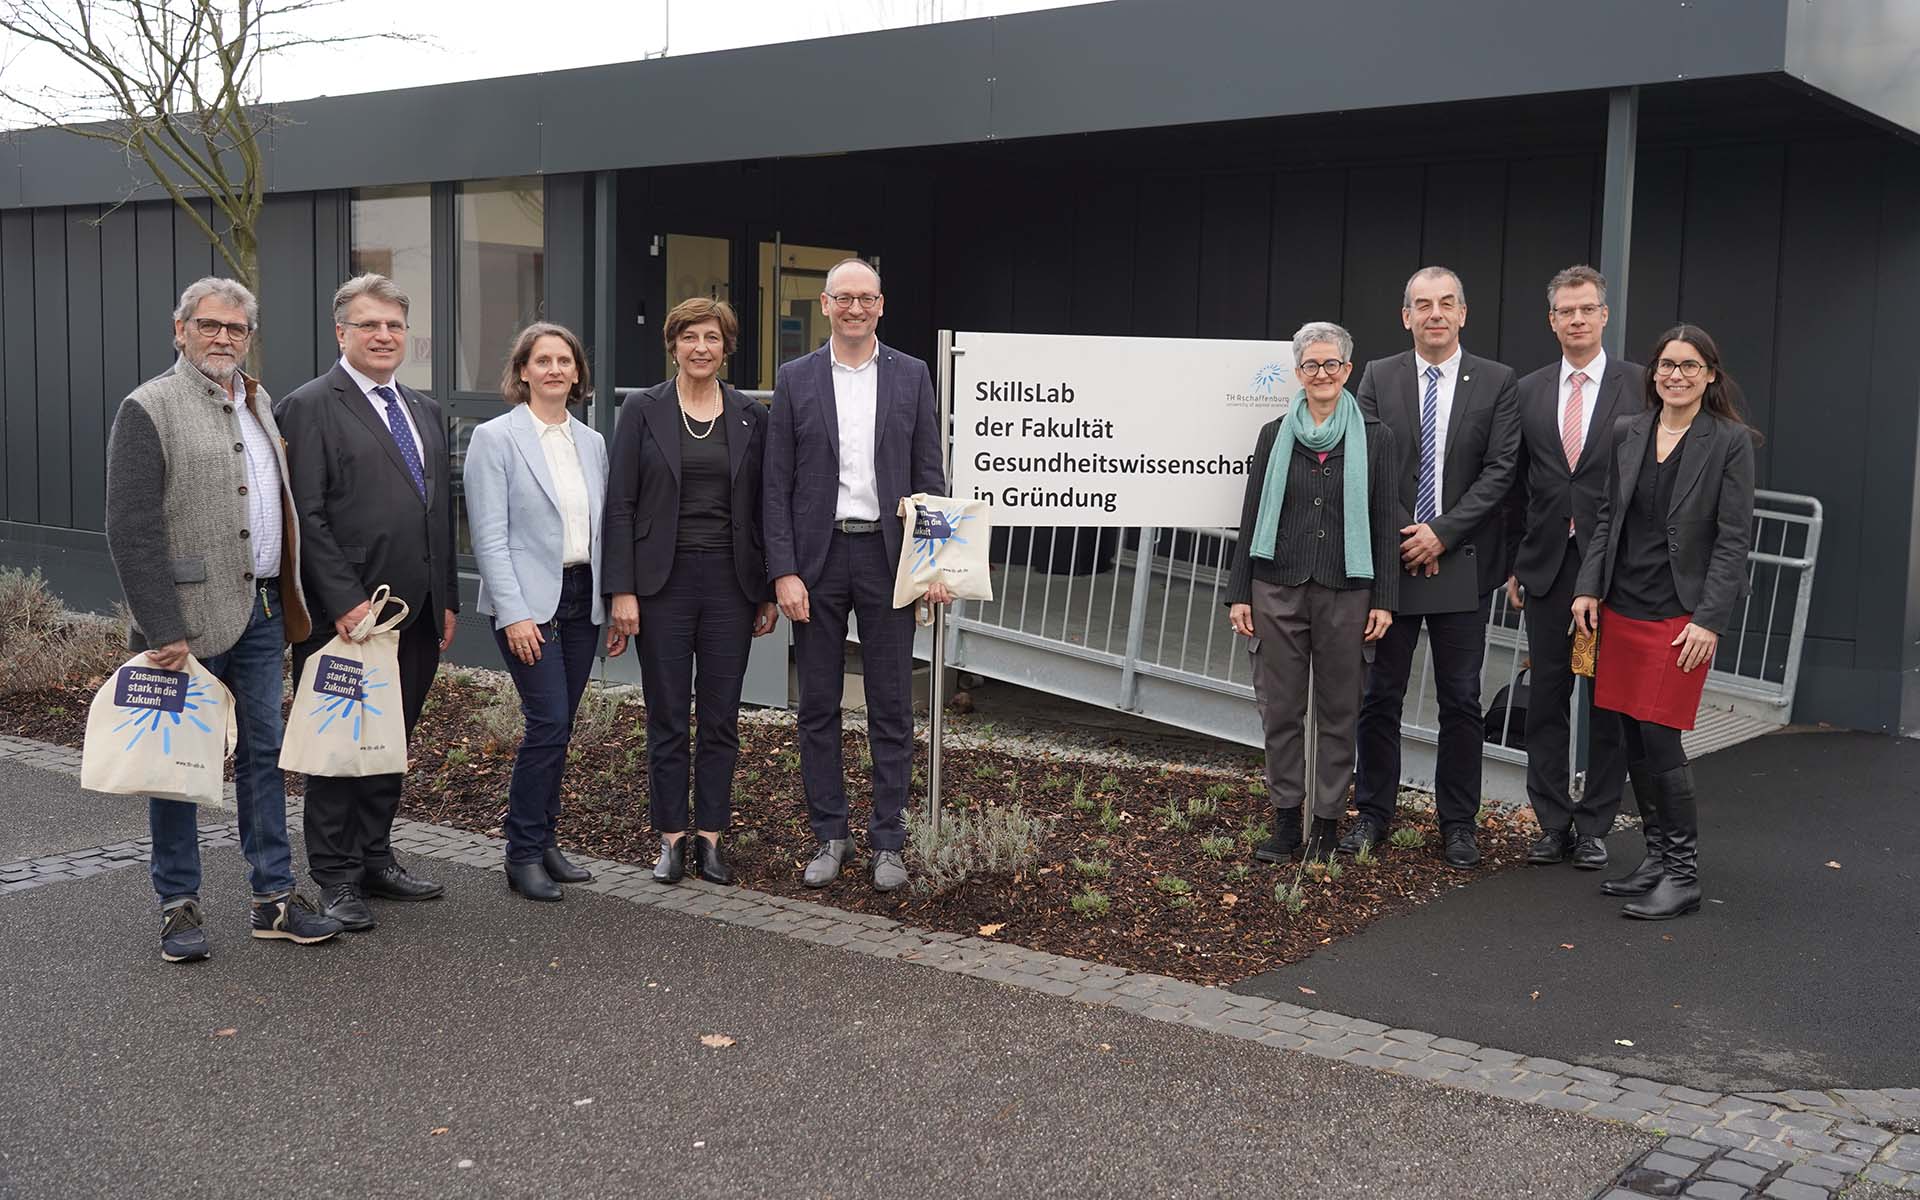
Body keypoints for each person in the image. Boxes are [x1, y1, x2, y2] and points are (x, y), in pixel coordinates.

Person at [103, 277, 342, 961]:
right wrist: (161, 625)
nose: (222, 339)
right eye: (208, 326)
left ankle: (274, 897)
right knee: (179, 764)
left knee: (264, 757)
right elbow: (131, 528)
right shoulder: (148, 407)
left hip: (265, 609)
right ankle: (178, 905)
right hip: (185, 623)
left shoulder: (259, 400)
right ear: (179, 329)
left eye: (235, 329)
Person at [276, 274, 458, 932]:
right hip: (345, 622)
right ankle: (335, 876)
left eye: (394, 326)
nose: (384, 336)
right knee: (340, 749)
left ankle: (375, 858)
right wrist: (347, 603)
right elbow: (305, 515)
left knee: (390, 742)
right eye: (369, 325)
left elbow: (439, 513)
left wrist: (447, 599)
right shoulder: (309, 406)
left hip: (413, 616)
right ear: (341, 332)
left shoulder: (425, 410)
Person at [762, 259, 950, 893]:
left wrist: (933, 565)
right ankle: (830, 834)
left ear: (880, 305)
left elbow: (930, 477)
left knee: (892, 703)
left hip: (888, 559)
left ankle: (888, 840)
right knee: (817, 704)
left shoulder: (911, 375)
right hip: (817, 562)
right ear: (824, 304)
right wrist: (783, 572)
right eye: (844, 298)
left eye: (865, 298)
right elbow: (776, 484)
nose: (854, 308)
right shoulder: (796, 379)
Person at [1573, 324, 1755, 920]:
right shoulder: (1630, 430)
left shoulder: (1728, 441)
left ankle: (1683, 875)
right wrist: (1588, 588)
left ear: (1709, 375)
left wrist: (1709, 620)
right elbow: (1606, 520)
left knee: (1661, 738)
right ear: (1654, 373)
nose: (1676, 375)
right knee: (1630, 735)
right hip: (1621, 609)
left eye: (1689, 366)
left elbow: (1733, 541)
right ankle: (1654, 858)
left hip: (1678, 619)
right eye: (1666, 365)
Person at [605, 298, 778, 886]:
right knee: (668, 714)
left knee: (723, 717)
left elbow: (763, 508)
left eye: (711, 337)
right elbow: (620, 505)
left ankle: (710, 838)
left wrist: (767, 590)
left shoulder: (752, 415)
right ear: (672, 345)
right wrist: (621, 592)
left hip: (732, 585)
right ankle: (671, 839)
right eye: (689, 337)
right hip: (663, 585)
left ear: (726, 347)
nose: (700, 347)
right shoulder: (642, 410)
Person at [1351, 266, 1520, 868]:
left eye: (1447, 303)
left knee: (1461, 700)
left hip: (1462, 565)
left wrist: (1441, 534)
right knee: (1380, 696)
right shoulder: (1377, 376)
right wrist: (1408, 532)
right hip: (1393, 564)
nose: (1435, 314)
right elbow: (1366, 460)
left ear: (1463, 313)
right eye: (1422, 305)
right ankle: (1373, 813)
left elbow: (1501, 472)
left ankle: (1458, 824)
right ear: (1406, 316)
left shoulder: (1498, 383)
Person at [1225, 322, 1397, 864]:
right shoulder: (1274, 435)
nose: (1321, 374)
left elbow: (1383, 521)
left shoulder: (1376, 437)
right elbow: (1252, 514)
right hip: (1277, 587)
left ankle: (1325, 824)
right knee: (1279, 710)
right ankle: (1285, 822)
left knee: (1339, 711)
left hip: (1348, 592)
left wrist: (1384, 599)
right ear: (1298, 373)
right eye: (1311, 366)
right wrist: (1239, 592)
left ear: (1348, 370)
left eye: (1332, 365)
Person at [464, 322, 624, 902]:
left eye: (565, 360)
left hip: (582, 598)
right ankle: (522, 852)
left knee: (560, 727)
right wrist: (513, 613)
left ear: (577, 373)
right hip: (528, 603)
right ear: (523, 371)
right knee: (548, 721)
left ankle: (547, 841)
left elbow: (603, 531)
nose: (554, 369)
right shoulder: (495, 438)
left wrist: (609, 605)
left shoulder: (592, 442)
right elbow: (489, 536)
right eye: (542, 360)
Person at [1504, 266, 1644, 870]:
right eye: (1566, 311)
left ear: (1605, 315)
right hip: (1545, 567)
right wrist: (1515, 561)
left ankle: (1594, 825)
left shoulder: (1640, 385)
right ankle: (1552, 820)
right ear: (1552, 320)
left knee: (1606, 700)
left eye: (1588, 309)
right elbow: (1516, 484)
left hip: (1613, 567)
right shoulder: (1528, 389)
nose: (1578, 319)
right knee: (1547, 698)